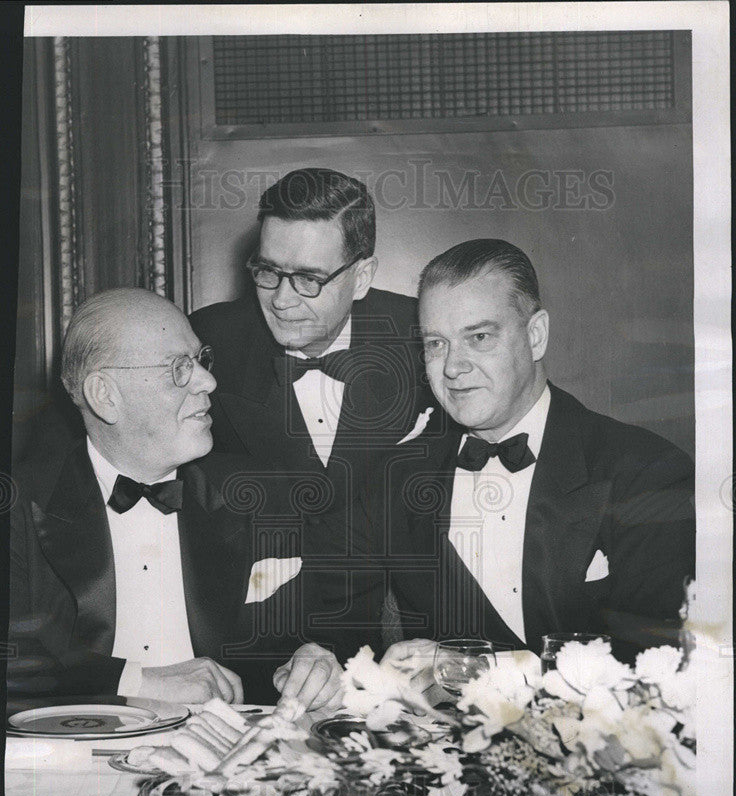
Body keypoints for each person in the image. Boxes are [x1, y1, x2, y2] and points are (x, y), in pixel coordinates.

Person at [7, 288, 343, 710]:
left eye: (200, 360)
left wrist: (313, 657)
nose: (209, 381)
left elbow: (324, 626)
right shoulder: (18, 505)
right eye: (178, 368)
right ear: (105, 396)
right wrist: (139, 682)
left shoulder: (262, 494)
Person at [385, 239, 695, 664]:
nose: (453, 368)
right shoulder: (399, 475)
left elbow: (655, 668)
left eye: (478, 337)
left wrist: (489, 673)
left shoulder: (647, 471)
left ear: (535, 336)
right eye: (436, 344)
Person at [189, 167, 438, 654]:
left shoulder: (423, 336)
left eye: (308, 279)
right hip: (256, 642)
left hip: (406, 642)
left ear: (362, 276)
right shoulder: (208, 340)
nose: (281, 300)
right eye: (267, 272)